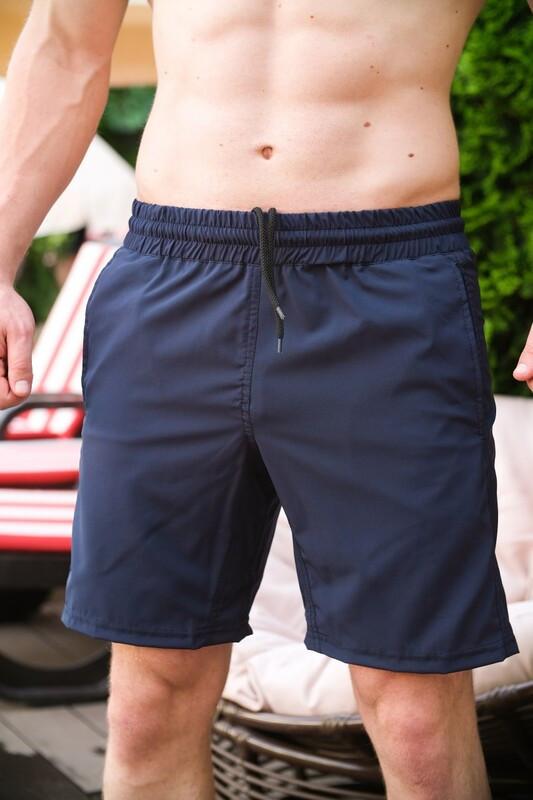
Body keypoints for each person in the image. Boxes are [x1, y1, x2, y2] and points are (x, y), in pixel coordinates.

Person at [0, 2, 531, 798]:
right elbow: (65, 46)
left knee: (416, 713)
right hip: (171, 279)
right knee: (147, 703)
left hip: (382, 285)